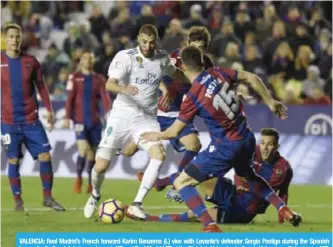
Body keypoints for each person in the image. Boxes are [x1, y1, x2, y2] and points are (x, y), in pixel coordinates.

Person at [141, 46, 301, 232]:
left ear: (183, 66)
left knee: (182, 182)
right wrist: (270, 102)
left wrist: (155, 135)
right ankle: (283, 208)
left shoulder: (192, 96)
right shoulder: (217, 72)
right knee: (249, 176)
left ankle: (210, 225)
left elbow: (174, 132)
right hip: (247, 138)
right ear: (202, 61)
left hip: (226, 146)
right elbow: (252, 77)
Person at [83, 24, 187, 220]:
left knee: (159, 154)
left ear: (157, 41)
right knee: (101, 166)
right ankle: (95, 195)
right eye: (144, 42)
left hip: (146, 118)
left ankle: (137, 204)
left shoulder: (162, 57)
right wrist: (124, 89)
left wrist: (190, 79)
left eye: (151, 42)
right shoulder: (125, 57)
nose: (147, 46)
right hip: (122, 115)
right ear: (138, 39)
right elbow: (109, 84)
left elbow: (173, 73)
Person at [137, 128, 301, 226]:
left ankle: (153, 218)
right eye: (263, 142)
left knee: (196, 215)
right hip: (232, 192)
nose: (265, 148)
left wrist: (283, 215)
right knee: (194, 174)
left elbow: (282, 192)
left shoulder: (283, 168)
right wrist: (237, 183)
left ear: (277, 146)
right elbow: (239, 169)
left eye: (270, 144)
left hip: (243, 211)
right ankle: (159, 183)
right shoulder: (253, 151)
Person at [122, 26, 214, 201]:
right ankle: (113, 150)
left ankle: (176, 185)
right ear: (188, 44)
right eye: (195, 47)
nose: (198, 52)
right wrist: (165, 89)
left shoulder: (206, 64)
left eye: (202, 49)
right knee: (129, 150)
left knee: (194, 145)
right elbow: (153, 73)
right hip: (157, 110)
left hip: (179, 112)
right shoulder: (174, 57)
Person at [1, 23, 65, 211]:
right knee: (13, 160)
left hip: (31, 120)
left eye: (18, 36)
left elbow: (41, 86)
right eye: (11, 36)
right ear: (5, 38)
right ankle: (18, 202)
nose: (15, 40)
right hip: (8, 122)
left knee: (45, 156)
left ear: (21, 38)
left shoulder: (31, 61)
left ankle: (47, 197)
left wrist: (50, 109)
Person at [64, 50, 111, 194]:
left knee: (92, 155)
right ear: (81, 61)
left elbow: (105, 97)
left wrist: (108, 112)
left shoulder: (99, 79)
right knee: (83, 149)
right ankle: (78, 179)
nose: (88, 61)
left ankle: (90, 183)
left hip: (95, 121)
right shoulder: (74, 78)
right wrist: (67, 117)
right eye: (85, 58)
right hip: (79, 121)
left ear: (93, 61)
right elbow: (70, 99)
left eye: (90, 58)